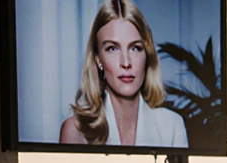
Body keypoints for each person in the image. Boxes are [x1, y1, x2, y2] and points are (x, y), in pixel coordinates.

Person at [59, 0, 188, 148]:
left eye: (135, 48)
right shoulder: (76, 131)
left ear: (147, 55)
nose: (126, 62)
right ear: (98, 60)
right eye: (113, 48)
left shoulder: (173, 127)